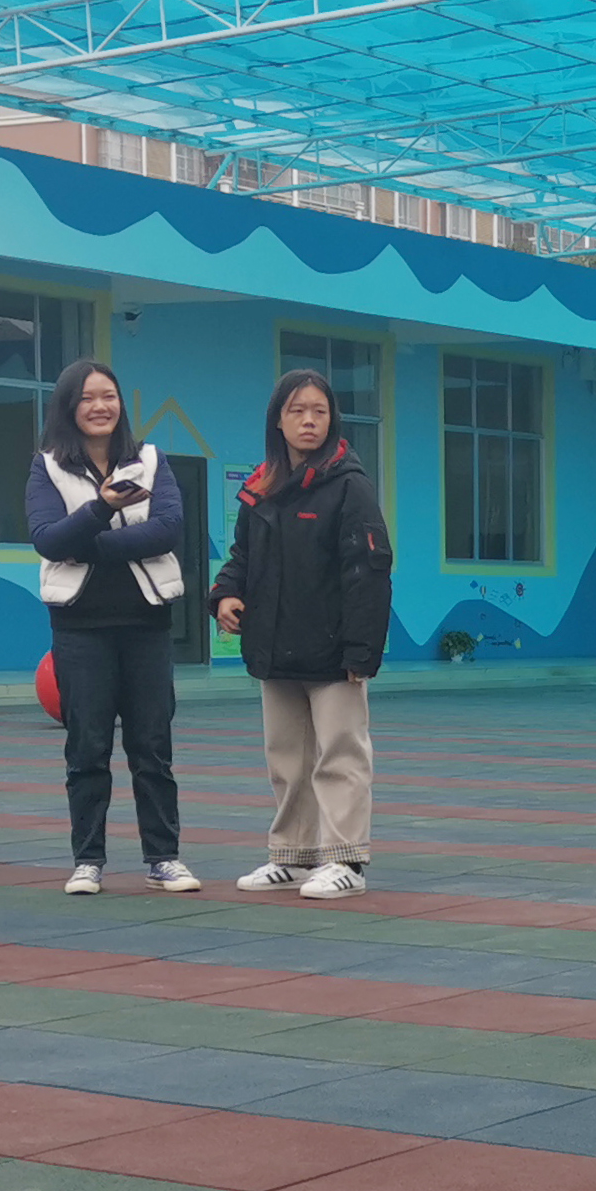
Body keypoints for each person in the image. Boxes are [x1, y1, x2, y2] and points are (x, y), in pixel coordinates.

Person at [211, 368, 392, 898]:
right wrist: (224, 594)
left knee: (341, 755)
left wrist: (362, 650)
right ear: (278, 420)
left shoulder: (350, 486)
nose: (309, 420)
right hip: (275, 646)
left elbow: (369, 570)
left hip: (334, 652)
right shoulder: (261, 487)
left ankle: (346, 860)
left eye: (319, 411)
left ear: (333, 419)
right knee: (287, 759)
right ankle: (292, 856)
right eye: (297, 411)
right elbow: (242, 556)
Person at [27, 359, 196, 896]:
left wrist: (90, 546)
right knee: (87, 748)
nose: (100, 406)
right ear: (68, 407)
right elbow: (48, 539)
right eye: (87, 398)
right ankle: (88, 861)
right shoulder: (47, 467)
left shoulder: (150, 460)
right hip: (79, 626)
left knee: (153, 746)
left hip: (147, 622)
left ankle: (163, 857)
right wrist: (101, 508)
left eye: (109, 396)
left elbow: (167, 529)